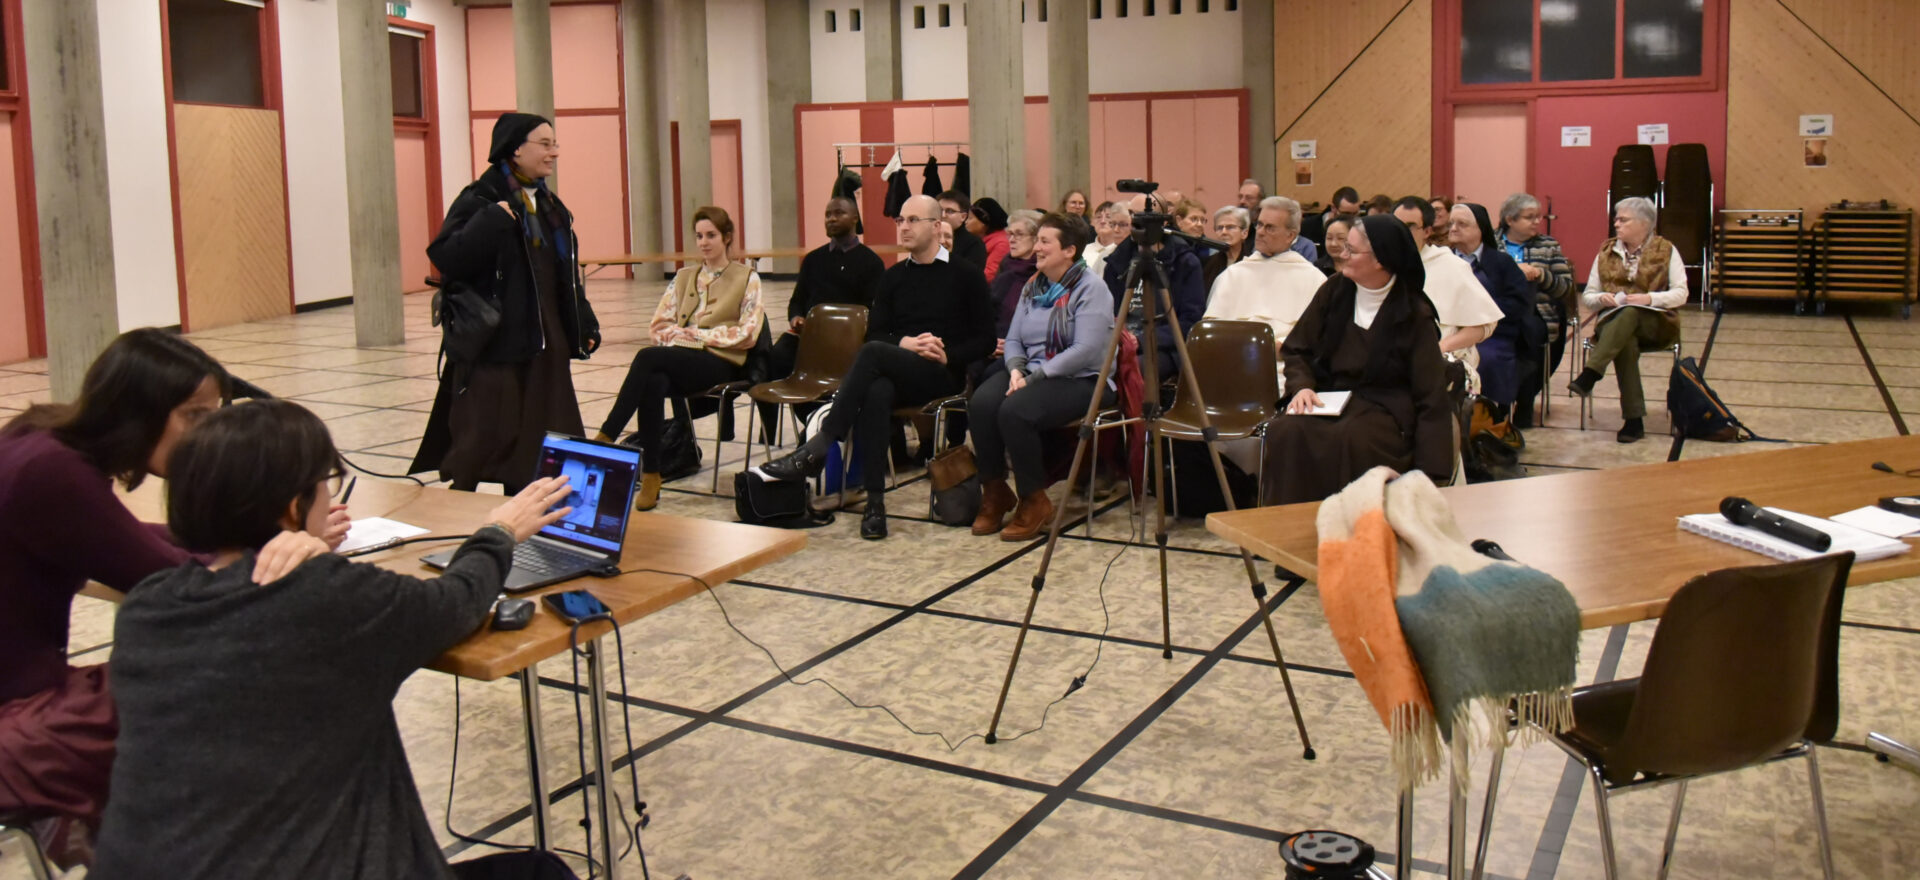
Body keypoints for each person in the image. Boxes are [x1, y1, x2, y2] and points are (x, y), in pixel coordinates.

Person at [90, 400, 580, 880]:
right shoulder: (328, 600)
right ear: (292, 504)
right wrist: (499, 530)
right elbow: (457, 600)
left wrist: (302, 546)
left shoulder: (147, 608)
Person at [0, 329, 343, 868]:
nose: (206, 434)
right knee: (217, 688)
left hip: (25, 682)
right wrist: (286, 544)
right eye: (194, 416)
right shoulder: (54, 474)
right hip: (17, 702)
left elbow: (132, 536)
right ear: (139, 412)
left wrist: (244, 535)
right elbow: (173, 580)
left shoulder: (40, 437)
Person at [755, 195, 995, 539]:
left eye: (913, 220)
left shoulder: (965, 275)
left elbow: (985, 339)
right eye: (900, 220)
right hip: (899, 366)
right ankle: (875, 506)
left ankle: (821, 444)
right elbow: (877, 331)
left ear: (936, 226)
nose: (904, 227)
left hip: (941, 374)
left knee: (872, 356)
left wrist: (948, 354)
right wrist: (904, 343)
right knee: (876, 389)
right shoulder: (894, 276)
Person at [412, 112, 601, 493]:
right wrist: (490, 221)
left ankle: (527, 504)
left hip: (545, 341)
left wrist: (584, 321)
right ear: (515, 149)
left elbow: (563, 273)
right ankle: (460, 514)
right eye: (545, 144)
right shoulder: (481, 198)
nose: (554, 153)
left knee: (542, 435)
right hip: (498, 344)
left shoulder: (549, 205)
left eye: (555, 144)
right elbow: (446, 256)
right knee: (485, 434)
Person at [1262, 216, 1453, 504]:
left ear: (1380, 260)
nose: (1341, 254)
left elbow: (1430, 393)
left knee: (1352, 439)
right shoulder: (1334, 290)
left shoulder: (1414, 312)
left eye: (1351, 250)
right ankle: (1287, 532)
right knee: (1285, 431)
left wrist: (1430, 471)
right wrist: (1301, 387)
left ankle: (1350, 535)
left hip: (1386, 408)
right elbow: (1298, 348)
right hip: (1329, 397)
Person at [594, 206, 764, 510]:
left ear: (727, 237)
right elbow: (658, 326)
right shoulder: (685, 276)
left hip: (721, 362)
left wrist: (697, 335)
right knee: (654, 381)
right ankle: (652, 476)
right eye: (699, 236)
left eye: (711, 235)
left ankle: (606, 436)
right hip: (683, 359)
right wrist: (679, 335)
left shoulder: (747, 277)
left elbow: (747, 332)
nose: (704, 242)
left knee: (647, 359)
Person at [969, 213, 1116, 541]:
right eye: (1037, 241)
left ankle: (1033, 500)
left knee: (1015, 411)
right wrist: (1017, 369)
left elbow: (1086, 350)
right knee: (980, 403)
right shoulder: (1034, 286)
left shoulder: (1093, 289)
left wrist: (1034, 378)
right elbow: (1015, 337)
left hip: (1083, 379)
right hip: (1031, 372)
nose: (1036, 247)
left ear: (1069, 250)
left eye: (1044, 241)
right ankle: (995, 492)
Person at [1569, 196, 1687, 443]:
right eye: (1616, 219)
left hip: (1656, 324)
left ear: (1644, 223)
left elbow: (1681, 294)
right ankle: (1633, 420)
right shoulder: (1606, 251)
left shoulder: (1666, 250)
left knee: (1632, 312)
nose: (1616, 224)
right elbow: (1588, 296)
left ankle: (1592, 372)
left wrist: (1649, 299)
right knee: (1625, 341)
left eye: (1623, 219)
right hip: (1614, 325)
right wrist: (1604, 298)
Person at [1203, 197, 1330, 376]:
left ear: (1291, 236)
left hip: (1287, 371)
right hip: (1231, 367)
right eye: (1260, 225)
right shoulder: (1232, 275)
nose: (1261, 232)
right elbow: (1210, 333)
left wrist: (1275, 349)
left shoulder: (1313, 278)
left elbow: (1317, 339)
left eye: (1270, 227)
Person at [767, 196, 885, 385]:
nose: (831, 218)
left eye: (839, 213)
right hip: (810, 335)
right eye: (828, 214)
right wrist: (796, 318)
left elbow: (872, 310)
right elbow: (797, 300)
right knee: (774, 360)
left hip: (847, 340)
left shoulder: (871, 263)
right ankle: (776, 412)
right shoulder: (813, 260)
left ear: (855, 218)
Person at [1392, 197, 1503, 392]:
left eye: (1410, 227)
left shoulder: (1450, 266)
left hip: (1443, 363)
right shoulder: (1380, 266)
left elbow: (1484, 324)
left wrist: (1440, 347)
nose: (1401, 233)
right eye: (1396, 226)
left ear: (1427, 231)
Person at [1448, 202, 1544, 417]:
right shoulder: (1443, 261)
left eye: (1462, 224)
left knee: (1487, 358)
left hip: (1492, 334)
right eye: (1451, 223)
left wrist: (1478, 314)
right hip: (1448, 332)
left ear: (1480, 229)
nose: (1453, 228)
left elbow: (1518, 304)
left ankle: (1489, 420)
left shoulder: (1502, 263)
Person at [1101, 194, 1207, 379]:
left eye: (1142, 216)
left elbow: (1190, 321)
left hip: (1165, 347)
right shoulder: (1118, 260)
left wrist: (1141, 341)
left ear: (1163, 222)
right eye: (1132, 214)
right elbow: (1106, 312)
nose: (1134, 221)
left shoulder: (1184, 262)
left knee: (1131, 371)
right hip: (1118, 342)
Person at [1498, 193, 1575, 428]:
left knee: (1528, 331)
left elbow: (1565, 288)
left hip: (1538, 313)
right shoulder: (1491, 245)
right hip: (1497, 313)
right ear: (1510, 220)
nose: (1536, 222)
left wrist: (1541, 275)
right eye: (1529, 217)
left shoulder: (1548, 246)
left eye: (1538, 217)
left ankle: (1523, 404)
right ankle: (1499, 403)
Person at [990, 210, 1045, 349]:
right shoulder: (1006, 267)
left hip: (1025, 349)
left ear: (1036, 238)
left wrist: (1011, 346)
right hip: (994, 342)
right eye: (1010, 234)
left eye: (1019, 234)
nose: (1012, 240)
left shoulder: (1045, 273)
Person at [1202, 205, 1250, 291]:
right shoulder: (1208, 264)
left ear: (1244, 233)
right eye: (1219, 228)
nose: (1224, 232)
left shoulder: (1252, 263)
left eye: (1230, 227)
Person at [938, 190, 989, 270]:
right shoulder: (928, 238)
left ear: (963, 217)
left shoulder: (974, 244)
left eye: (950, 211)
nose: (943, 215)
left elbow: (970, 276)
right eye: (939, 210)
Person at [968, 196, 1011, 283]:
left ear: (983, 221)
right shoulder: (978, 240)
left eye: (970, 218)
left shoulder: (1001, 243)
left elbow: (989, 274)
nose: (966, 222)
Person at [1084, 201, 1128, 279]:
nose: (1102, 221)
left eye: (1108, 217)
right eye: (1098, 217)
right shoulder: (1084, 250)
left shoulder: (1122, 250)